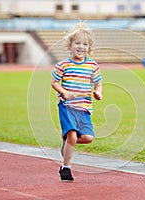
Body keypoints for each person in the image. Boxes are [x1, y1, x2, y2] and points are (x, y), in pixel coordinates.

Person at [51, 21, 103, 181]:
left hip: (84, 108)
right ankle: (65, 168)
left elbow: (98, 82)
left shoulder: (92, 65)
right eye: (77, 43)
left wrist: (98, 92)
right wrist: (64, 92)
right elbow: (54, 82)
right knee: (73, 136)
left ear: (89, 47)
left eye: (85, 44)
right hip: (67, 107)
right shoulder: (63, 65)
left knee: (88, 138)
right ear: (70, 45)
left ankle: (67, 142)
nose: (81, 46)